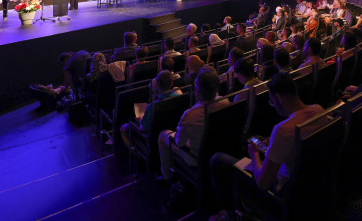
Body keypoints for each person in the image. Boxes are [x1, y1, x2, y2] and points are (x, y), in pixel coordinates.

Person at [209, 73, 325, 217]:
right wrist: (273, 142)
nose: (273, 105)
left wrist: (255, 155)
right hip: (308, 182)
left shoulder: (283, 129)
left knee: (217, 159)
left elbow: (263, 183)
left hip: (279, 192)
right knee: (256, 138)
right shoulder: (319, 110)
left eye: (271, 101)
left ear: (278, 98)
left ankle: (230, 212)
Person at [158, 66, 226, 181]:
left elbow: (179, 142)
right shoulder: (226, 102)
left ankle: (166, 177)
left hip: (195, 158)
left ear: (197, 91)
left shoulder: (190, 115)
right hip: (218, 151)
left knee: (163, 135)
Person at [120, 70, 182, 148]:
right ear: (172, 83)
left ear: (157, 86)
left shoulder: (152, 106)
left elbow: (143, 128)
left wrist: (140, 120)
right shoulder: (179, 98)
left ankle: (135, 153)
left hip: (151, 139)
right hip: (170, 134)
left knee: (122, 128)